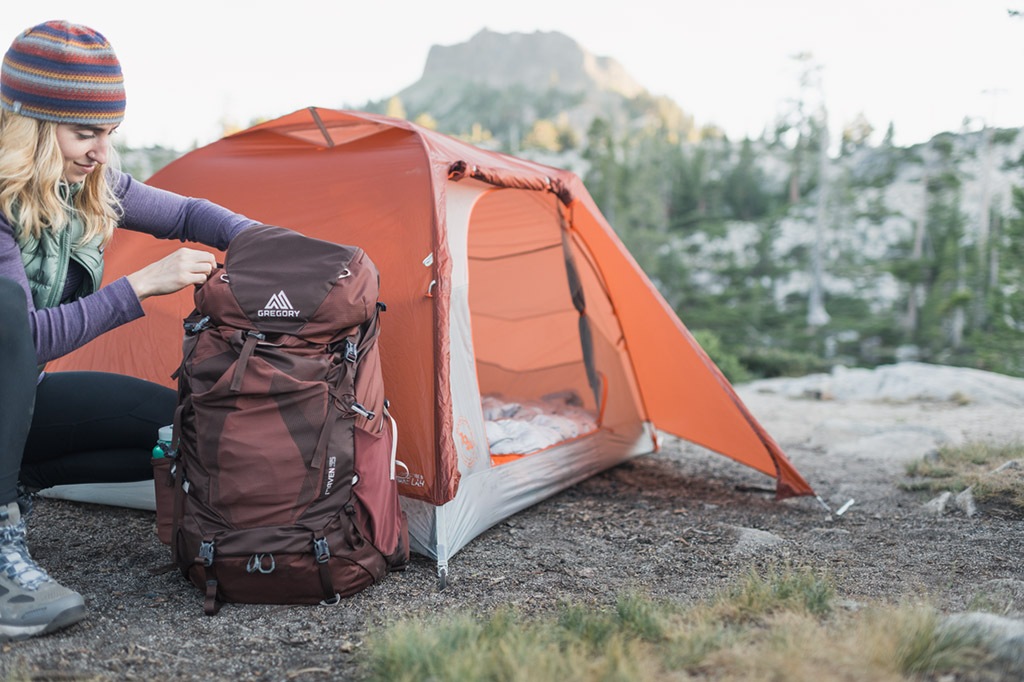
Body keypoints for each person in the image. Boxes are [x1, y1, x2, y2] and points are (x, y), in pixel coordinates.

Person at [0, 20, 257, 641]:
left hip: (11, 410)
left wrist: (267, 241)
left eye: (108, 135)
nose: (100, 152)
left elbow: (188, 212)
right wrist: (140, 286)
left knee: (177, 429)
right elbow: (19, 344)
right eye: (84, 133)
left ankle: (11, 482)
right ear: (28, 128)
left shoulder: (87, 186)